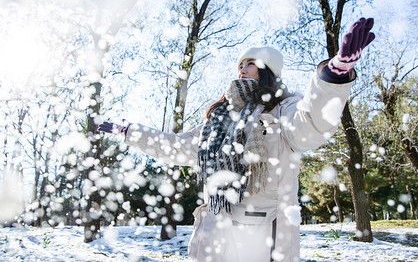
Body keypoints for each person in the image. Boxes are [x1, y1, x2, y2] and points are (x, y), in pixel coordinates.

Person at [98, 18, 375, 262]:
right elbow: (177, 147)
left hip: (263, 237)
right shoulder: (219, 119)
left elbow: (312, 124)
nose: (242, 69)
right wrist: (130, 132)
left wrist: (333, 75)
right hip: (216, 229)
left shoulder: (283, 109)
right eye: (240, 64)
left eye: (250, 64)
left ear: (267, 71)